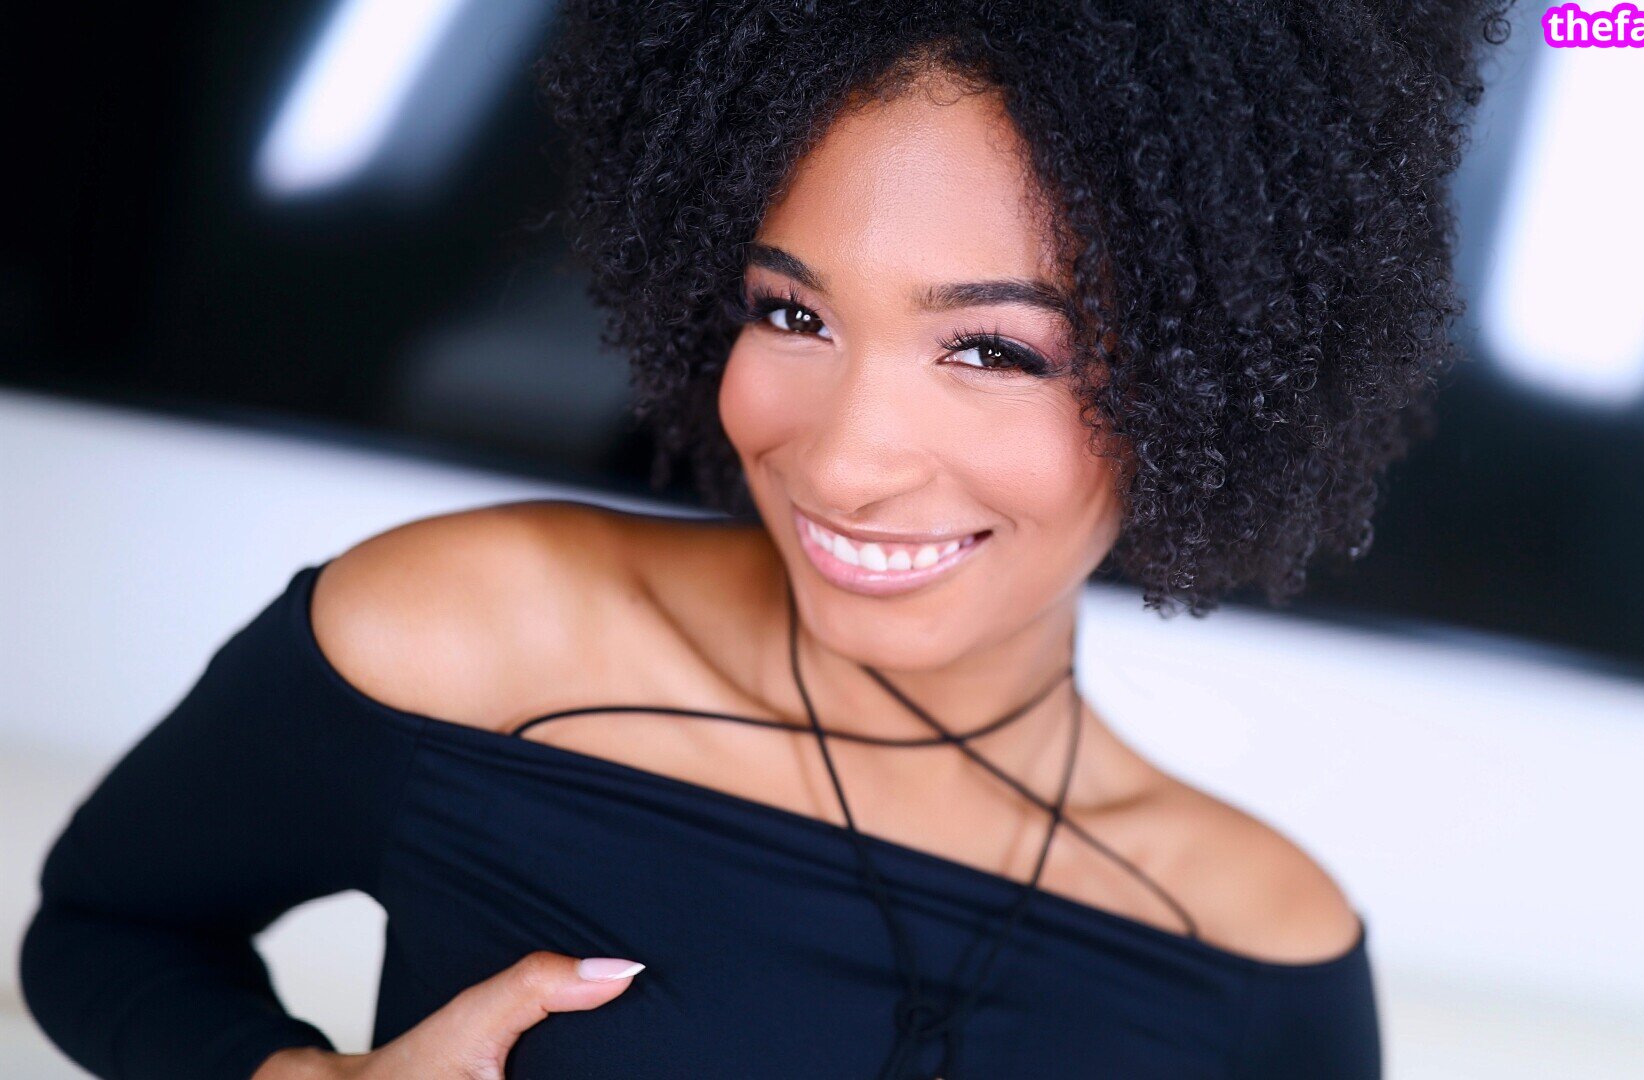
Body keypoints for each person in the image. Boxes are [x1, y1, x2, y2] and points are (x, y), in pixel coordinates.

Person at [19, 1, 1508, 1076]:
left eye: (993, 349)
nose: (845, 460)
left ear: (1207, 380)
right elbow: (103, 933)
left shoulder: (1257, 949)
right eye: (791, 312)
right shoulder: (475, 639)